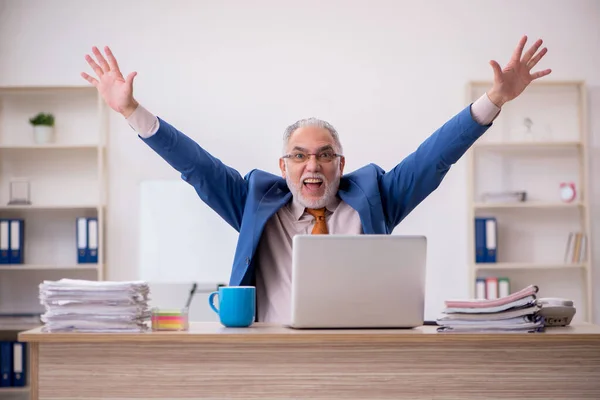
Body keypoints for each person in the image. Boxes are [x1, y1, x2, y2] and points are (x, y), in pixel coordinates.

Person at [81, 36, 551, 324]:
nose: (313, 166)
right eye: (300, 156)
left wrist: (494, 100)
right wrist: (131, 111)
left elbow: (433, 159)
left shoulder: (377, 196)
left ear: (341, 164)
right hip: (271, 354)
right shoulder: (253, 200)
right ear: (283, 166)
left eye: (325, 155)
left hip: (360, 354)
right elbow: (196, 166)